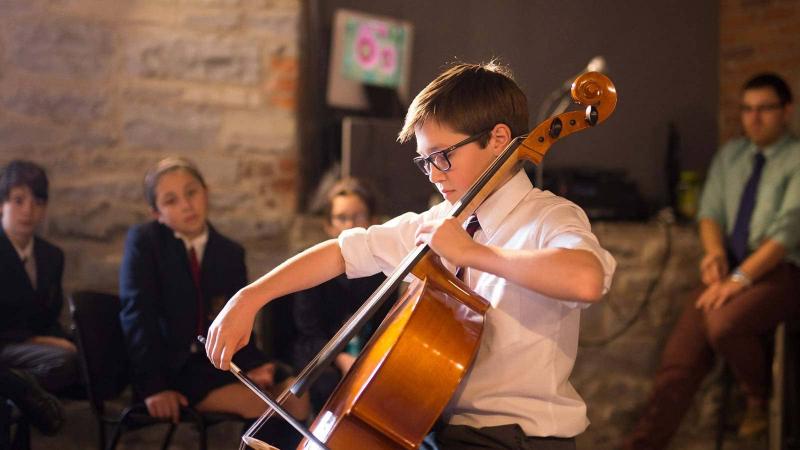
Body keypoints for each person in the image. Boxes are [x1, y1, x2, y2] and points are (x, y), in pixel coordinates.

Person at [205, 62, 616, 450]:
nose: (435, 174)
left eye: (443, 156)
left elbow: (586, 279)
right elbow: (341, 253)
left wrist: (472, 253)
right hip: (447, 434)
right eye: (425, 162)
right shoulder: (438, 222)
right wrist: (251, 297)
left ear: (498, 139)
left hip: (520, 439)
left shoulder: (548, 217)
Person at [622, 73, 800, 449]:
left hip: (780, 272)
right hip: (729, 268)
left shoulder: (796, 158)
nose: (754, 118)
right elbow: (709, 214)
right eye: (747, 109)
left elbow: (787, 232)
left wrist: (738, 280)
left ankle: (757, 399)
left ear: (786, 110)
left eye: (765, 109)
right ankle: (642, 445)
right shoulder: (731, 156)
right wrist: (715, 255)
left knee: (722, 324)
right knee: (678, 361)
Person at [118, 157, 308, 447]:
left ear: (206, 192)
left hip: (220, 361)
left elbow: (238, 318)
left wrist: (252, 365)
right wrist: (154, 387)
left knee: (298, 395)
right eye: (171, 200)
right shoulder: (145, 244)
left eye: (191, 192)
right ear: (156, 212)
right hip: (176, 368)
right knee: (270, 409)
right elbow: (137, 317)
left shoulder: (229, 252)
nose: (186, 204)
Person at [291, 177, 393, 412]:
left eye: (358, 216)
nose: (350, 225)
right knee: (327, 385)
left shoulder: (384, 270)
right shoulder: (313, 269)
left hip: (366, 354)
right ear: (329, 225)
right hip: (320, 353)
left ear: (373, 221)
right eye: (341, 218)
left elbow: (385, 325)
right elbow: (309, 331)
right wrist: (341, 358)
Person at [0, 160, 75, 434]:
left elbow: (49, 314)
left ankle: (20, 395)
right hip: (5, 344)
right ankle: (17, 389)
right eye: (18, 200)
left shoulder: (51, 256)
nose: (28, 211)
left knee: (87, 357)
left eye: (37, 202)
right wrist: (39, 340)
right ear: (2, 204)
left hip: (31, 350)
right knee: (61, 361)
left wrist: (62, 339)